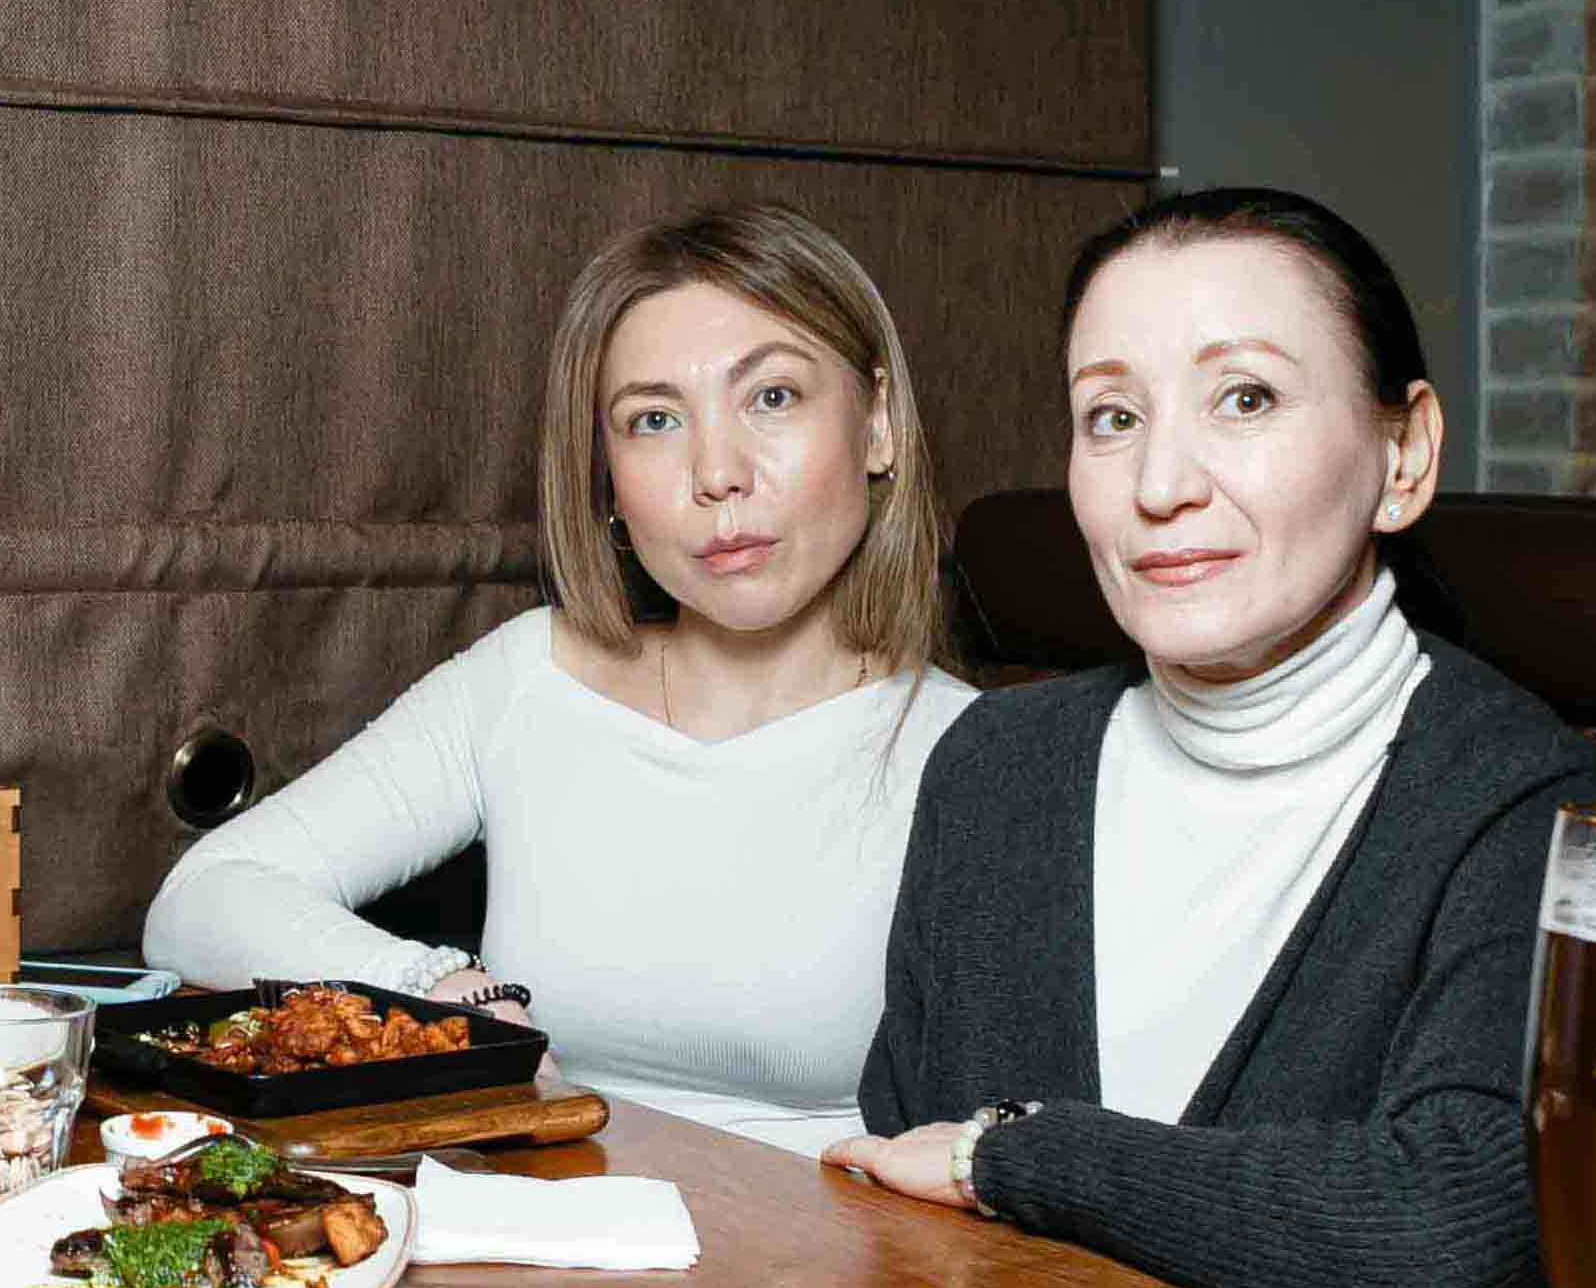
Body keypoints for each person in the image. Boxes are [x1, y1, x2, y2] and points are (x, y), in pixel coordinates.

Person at [833, 186, 1596, 1288]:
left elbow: (1443, 1249)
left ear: (1404, 454)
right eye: (1112, 417)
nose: (1161, 485)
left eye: (1245, 398)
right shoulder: (997, 768)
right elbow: (899, 1209)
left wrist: (1013, 1156)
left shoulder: (1542, 813)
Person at [143, 203, 974, 1154]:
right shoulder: (525, 680)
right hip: (511, 1225)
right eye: (654, 420)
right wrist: (438, 994)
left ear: (878, 425)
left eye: (772, 397)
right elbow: (201, 900)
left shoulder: (976, 755)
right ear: (607, 478)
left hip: (807, 1241)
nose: (717, 473)